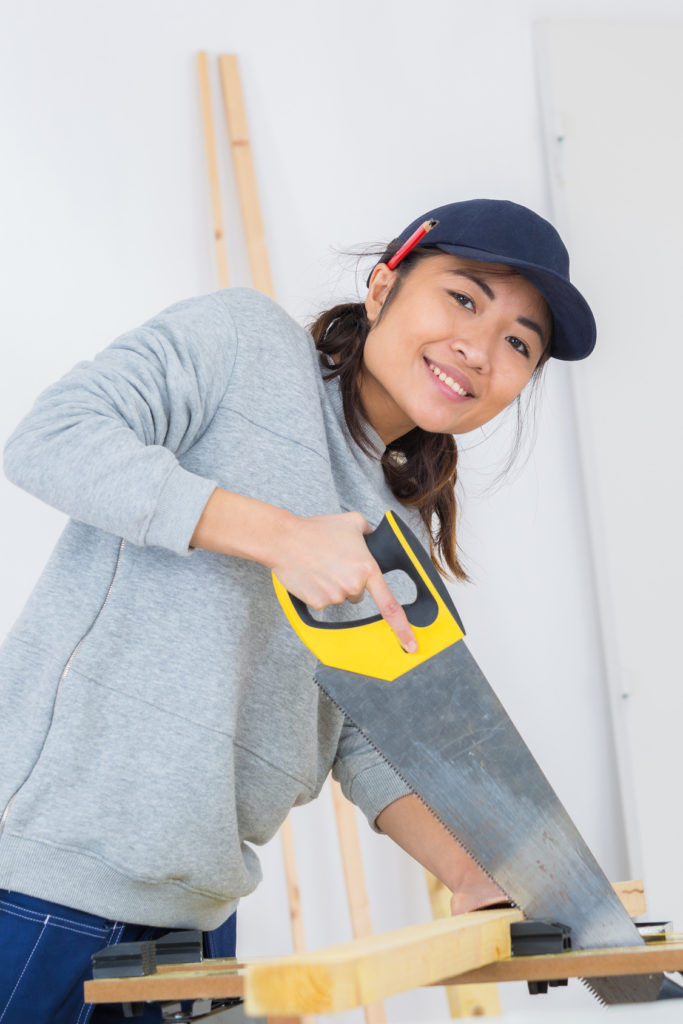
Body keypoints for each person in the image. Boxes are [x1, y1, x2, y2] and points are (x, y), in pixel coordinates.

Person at [0, 199, 596, 1023]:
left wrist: (474, 874)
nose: (479, 348)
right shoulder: (242, 344)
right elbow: (52, 437)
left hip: (195, 920)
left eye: (518, 343)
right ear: (384, 284)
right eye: (463, 298)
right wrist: (282, 539)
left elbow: (366, 733)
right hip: (34, 883)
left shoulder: (400, 529)